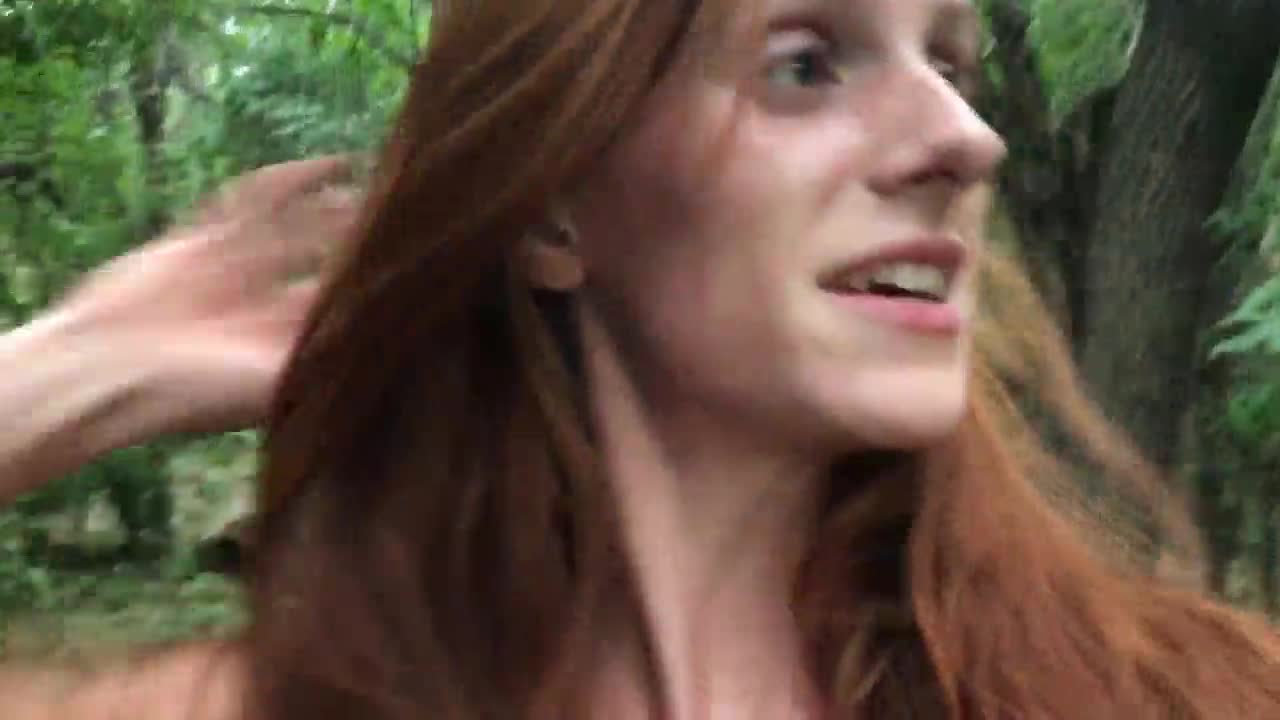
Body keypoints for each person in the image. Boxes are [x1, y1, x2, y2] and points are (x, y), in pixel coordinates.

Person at [5, 0, 1280, 718]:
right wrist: (78, 372)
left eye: (948, 63)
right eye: (805, 65)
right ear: (555, 209)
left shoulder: (1177, 696)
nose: (965, 137)